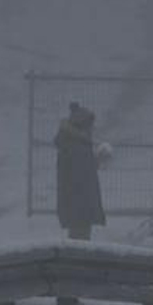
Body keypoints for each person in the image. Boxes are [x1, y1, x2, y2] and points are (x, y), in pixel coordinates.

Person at [55, 103, 106, 240]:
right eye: (89, 126)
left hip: (76, 204)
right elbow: (81, 178)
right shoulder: (77, 147)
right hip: (80, 206)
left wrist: (95, 161)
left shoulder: (74, 143)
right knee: (80, 241)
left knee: (78, 238)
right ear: (82, 126)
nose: (91, 129)